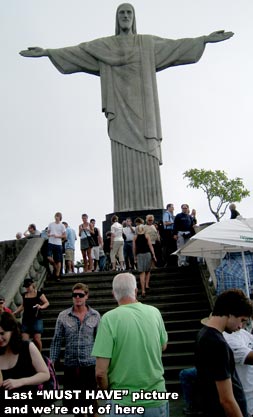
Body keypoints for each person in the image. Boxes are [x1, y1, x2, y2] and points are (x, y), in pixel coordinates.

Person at [19, 4, 233, 213]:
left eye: (129, 12)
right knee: (122, 150)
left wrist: (204, 39)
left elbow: (175, 47)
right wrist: (48, 52)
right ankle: (126, 206)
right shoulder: (105, 47)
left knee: (147, 148)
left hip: (145, 111)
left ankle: (149, 204)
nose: (125, 16)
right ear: (116, 18)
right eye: (121, 12)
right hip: (120, 111)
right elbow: (78, 51)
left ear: (134, 18)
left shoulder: (147, 44)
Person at [92, 272, 168, 417]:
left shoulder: (109, 319)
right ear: (135, 291)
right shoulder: (155, 312)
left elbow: (100, 372)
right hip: (156, 397)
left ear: (113, 294)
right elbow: (163, 346)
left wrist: (105, 392)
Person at [195, 289, 253, 417]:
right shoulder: (216, 343)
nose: (241, 326)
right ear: (230, 313)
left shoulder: (204, 334)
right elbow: (226, 399)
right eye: (242, 320)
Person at [50, 282, 100, 416]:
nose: (77, 298)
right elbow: (56, 340)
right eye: (75, 295)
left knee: (91, 403)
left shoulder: (95, 315)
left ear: (86, 296)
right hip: (71, 365)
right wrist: (53, 361)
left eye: (81, 295)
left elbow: (100, 341)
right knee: (75, 405)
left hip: (90, 364)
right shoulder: (63, 316)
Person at [0, 312, 49, 416]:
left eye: (2, 333)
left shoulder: (27, 347)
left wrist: (21, 381)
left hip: (28, 406)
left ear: (12, 331)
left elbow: (45, 374)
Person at [13, 278, 49, 352]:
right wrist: (15, 312)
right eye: (26, 287)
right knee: (24, 340)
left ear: (32, 285)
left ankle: (39, 354)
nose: (27, 288)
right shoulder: (24, 295)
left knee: (37, 339)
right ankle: (28, 356)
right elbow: (23, 305)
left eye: (28, 286)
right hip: (26, 319)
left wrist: (41, 306)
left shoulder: (39, 293)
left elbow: (47, 303)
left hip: (36, 318)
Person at [224, 326, 253, 416]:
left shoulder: (243, 333)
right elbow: (249, 357)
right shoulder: (226, 338)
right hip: (244, 396)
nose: (241, 325)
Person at [133, 224, 156, 297]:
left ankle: (143, 290)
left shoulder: (135, 237)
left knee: (141, 273)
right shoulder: (147, 236)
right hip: (147, 254)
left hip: (139, 255)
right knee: (148, 271)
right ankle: (147, 284)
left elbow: (134, 248)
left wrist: (134, 256)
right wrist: (154, 255)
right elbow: (150, 246)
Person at [47, 212, 66, 281]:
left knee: (58, 260)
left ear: (60, 217)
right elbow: (48, 232)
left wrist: (57, 236)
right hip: (51, 242)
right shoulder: (51, 224)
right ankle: (55, 266)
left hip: (58, 243)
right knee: (49, 257)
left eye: (58, 216)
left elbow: (64, 236)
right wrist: (49, 234)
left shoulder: (62, 226)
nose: (56, 217)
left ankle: (57, 275)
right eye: (56, 216)